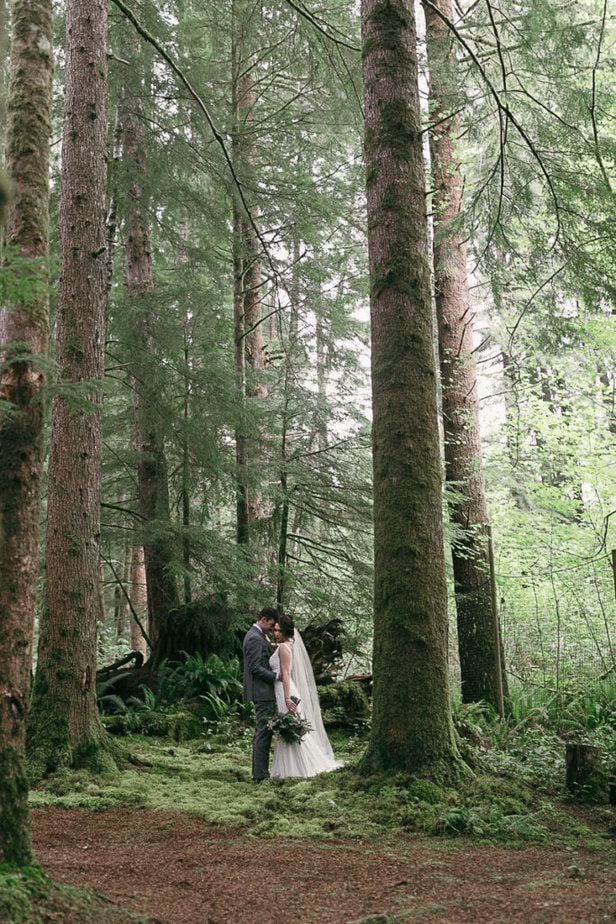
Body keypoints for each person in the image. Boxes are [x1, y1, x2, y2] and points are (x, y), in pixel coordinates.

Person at [269, 614, 343, 779]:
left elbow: (286, 674)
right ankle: (289, 767)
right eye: (274, 630)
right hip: (286, 691)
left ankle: (297, 768)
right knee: (290, 729)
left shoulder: (283, 647)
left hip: (285, 691)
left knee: (290, 729)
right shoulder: (289, 644)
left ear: (286, 631)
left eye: (278, 630)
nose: (275, 633)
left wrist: (288, 699)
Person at [242, 606, 294, 783]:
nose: (272, 630)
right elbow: (255, 668)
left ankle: (260, 772)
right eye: (271, 625)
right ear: (263, 619)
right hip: (262, 692)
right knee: (263, 732)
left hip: (264, 691)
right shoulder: (254, 638)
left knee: (264, 731)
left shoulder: (258, 637)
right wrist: (276, 676)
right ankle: (260, 775)